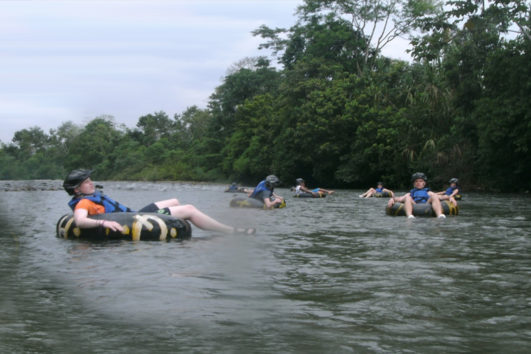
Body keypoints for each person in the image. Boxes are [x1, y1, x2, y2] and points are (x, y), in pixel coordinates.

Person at [63, 169, 255, 235]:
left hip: (134, 213)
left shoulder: (90, 197)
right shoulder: (83, 203)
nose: (91, 183)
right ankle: (230, 231)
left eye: (90, 180)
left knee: (174, 200)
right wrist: (104, 222)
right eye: (86, 182)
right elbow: (80, 221)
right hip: (137, 218)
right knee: (188, 209)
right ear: (77, 190)